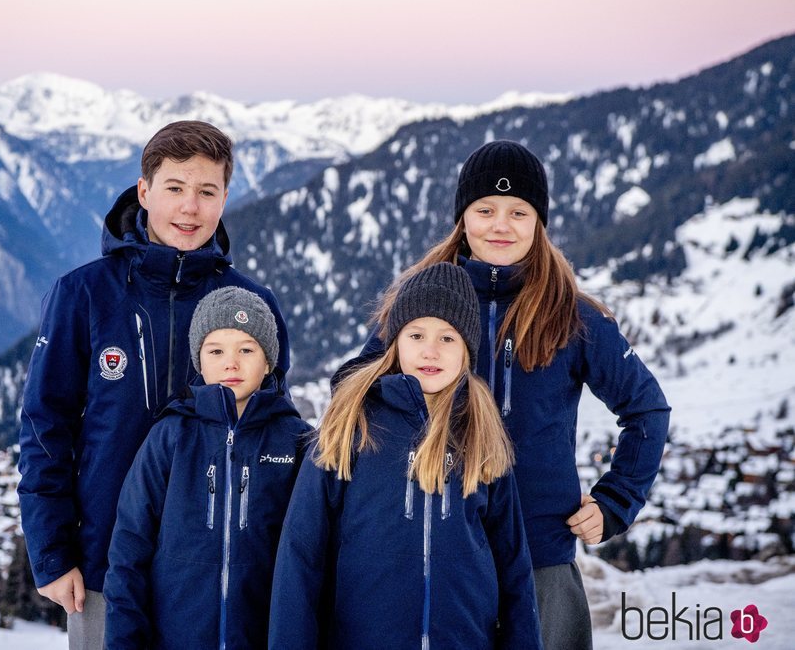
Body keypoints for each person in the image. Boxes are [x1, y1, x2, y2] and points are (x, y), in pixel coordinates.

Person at [353, 140, 671, 649]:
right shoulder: (424, 301)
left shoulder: (574, 316)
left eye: (518, 212)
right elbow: (356, 386)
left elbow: (648, 409)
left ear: (539, 222)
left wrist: (616, 500)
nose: (501, 225)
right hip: (442, 549)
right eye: (485, 210)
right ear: (463, 217)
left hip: (541, 555)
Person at [17, 121, 290, 649]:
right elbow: (44, 426)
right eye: (175, 188)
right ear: (144, 192)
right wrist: (51, 552)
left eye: (207, 192)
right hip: (102, 563)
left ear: (224, 199)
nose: (190, 207)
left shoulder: (252, 307)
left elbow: (269, 429)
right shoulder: (85, 294)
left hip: (218, 571)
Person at [270, 263, 543, 650]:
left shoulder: (482, 433)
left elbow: (513, 567)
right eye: (416, 334)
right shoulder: (352, 424)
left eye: (448, 338)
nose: (430, 350)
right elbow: (300, 555)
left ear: (468, 350)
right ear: (395, 342)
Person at [104, 287, 311, 649]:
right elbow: (129, 548)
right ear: (199, 360)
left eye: (247, 349)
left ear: (268, 362)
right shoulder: (170, 436)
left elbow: (313, 558)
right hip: (176, 637)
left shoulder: (297, 443)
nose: (231, 363)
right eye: (216, 351)